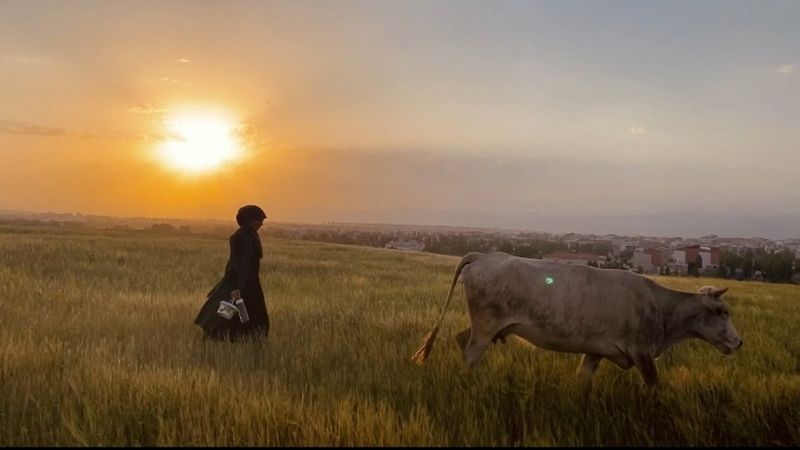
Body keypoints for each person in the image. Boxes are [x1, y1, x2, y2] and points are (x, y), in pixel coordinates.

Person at [194, 205, 269, 341]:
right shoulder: (245, 236)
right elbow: (241, 263)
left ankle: (221, 343)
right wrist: (238, 287)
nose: (261, 224)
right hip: (243, 286)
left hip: (240, 284)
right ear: (250, 220)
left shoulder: (245, 235)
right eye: (259, 220)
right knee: (241, 318)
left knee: (230, 316)